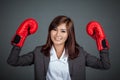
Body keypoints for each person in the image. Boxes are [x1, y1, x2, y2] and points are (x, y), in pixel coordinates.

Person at [7, 15, 110, 80]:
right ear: (50, 31)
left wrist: (101, 41)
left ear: (69, 34)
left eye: (63, 31)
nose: (57, 34)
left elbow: (105, 65)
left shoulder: (80, 53)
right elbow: (12, 61)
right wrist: (20, 38)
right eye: (54, 29)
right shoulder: (39, 52)